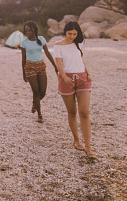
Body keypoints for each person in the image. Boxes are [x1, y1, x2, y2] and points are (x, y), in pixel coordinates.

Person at [53, 21, 95, 160]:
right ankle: (76, 139)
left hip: (82, 78)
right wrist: (64, 77)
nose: (72, 36)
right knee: (72, 112)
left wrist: (88, 72)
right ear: (65, 32)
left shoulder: (79, 43)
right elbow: (58, 63)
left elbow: (80, 60)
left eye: (75, 34)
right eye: (70, 33)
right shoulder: (58, 45)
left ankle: (88, 147)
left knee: (84, 111)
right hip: (67, 79)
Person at [19, 21, 58, 122]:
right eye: (26, 31)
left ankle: (34, 103)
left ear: (34, 30)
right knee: (36, 91)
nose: (28, 32)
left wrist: (55, 66)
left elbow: (48, 53)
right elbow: (23, 59)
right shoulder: (24, 42)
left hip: (41, 66)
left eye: (29, 30)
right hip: (30, 67)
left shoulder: (41, 39)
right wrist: (23, 73)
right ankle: (39, 114)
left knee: (43, 92)